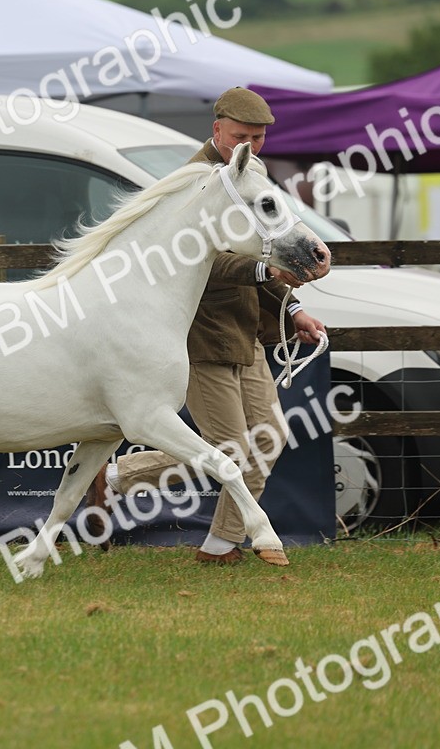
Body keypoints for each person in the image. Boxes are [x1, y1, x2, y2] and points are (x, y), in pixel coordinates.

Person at [87, 87, 326, 567]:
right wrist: (264, 274)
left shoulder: (249, 175)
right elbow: (193, 260)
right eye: (242, 136)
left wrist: (292, 307)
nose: (251, 146)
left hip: (245, 333)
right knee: (231, 450)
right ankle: (136, 489)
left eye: (258, 138)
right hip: (197, 336)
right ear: (216, 130)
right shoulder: (189, 184)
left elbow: (266, 249)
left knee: (270, 437)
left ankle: (209, 536)